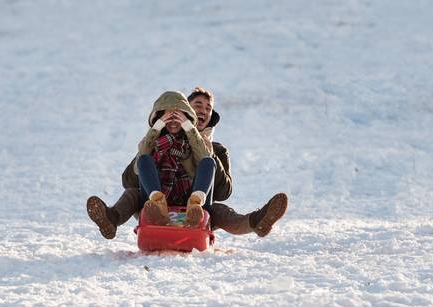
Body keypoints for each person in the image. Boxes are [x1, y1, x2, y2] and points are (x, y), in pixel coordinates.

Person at [86, 87, 287, 240]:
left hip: (196, 208)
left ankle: (258, 221)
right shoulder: (155, 141)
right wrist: (143, 151)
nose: (204, 111)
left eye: (208, 108)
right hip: (156, 205)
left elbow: (223, 192)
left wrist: (208, 154)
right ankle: (110, 219)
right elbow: (129, 181)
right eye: (198, 106)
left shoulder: (217, 149)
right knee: (131, 194)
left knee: (220, 212)